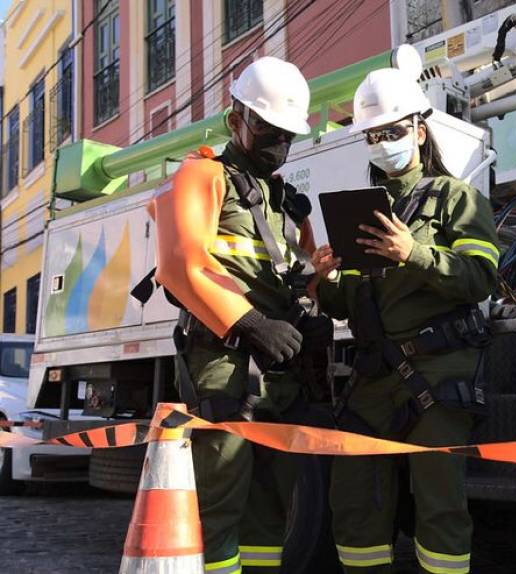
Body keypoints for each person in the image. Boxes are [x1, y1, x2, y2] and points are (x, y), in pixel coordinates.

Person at [310, 67, 500, 574]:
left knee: (440, 505)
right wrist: (325, 279)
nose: (383, 143)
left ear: (419, 129)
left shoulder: (456, 197)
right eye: (373, 136)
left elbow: (479, 278)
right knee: (353, 503)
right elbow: (350, 302)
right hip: (374, 377)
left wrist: (414, 252)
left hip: (439, 372)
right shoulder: (367, 210)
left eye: (393, 132)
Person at [150, 56, 327, 574]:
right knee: (220, 498)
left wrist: (312, 305)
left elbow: (301, 277)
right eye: (269, 131)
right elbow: (182, 264)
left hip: (278, 370)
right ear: (236, 121)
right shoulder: (202, 174)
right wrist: (251, 324)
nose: (279, 145)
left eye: (287, 136)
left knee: (271, 502)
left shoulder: (288, 204)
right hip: (223, 362)